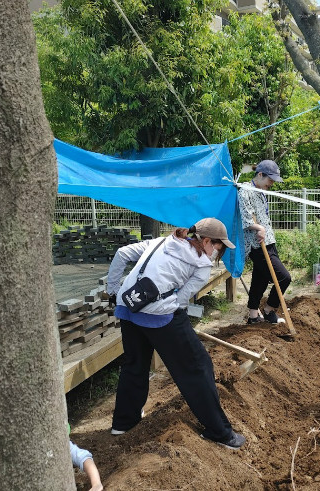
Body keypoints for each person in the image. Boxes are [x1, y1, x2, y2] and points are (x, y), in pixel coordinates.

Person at [106, 218, 246, 450]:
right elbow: (181, 301)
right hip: (159, 314)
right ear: (207, 241)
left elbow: (122, 253)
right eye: (218, 247)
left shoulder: (159, 242)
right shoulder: (201, 264)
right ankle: (221, 433)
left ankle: (123, 422)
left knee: (135, 364)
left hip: (128, 307)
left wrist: (113, 291)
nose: (216, 253)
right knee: (197, 367)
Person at [238, 159, 292, 324]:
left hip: (268, 241)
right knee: (284, 277)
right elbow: (245, 219)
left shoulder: (260, 190)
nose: (272, 183)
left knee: (260, 278)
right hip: (257, 244)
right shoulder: (245, 191)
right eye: (270, 179)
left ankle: (253, 315)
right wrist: (259, 228)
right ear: (260, 175)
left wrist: (264, 230)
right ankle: (269, 309)